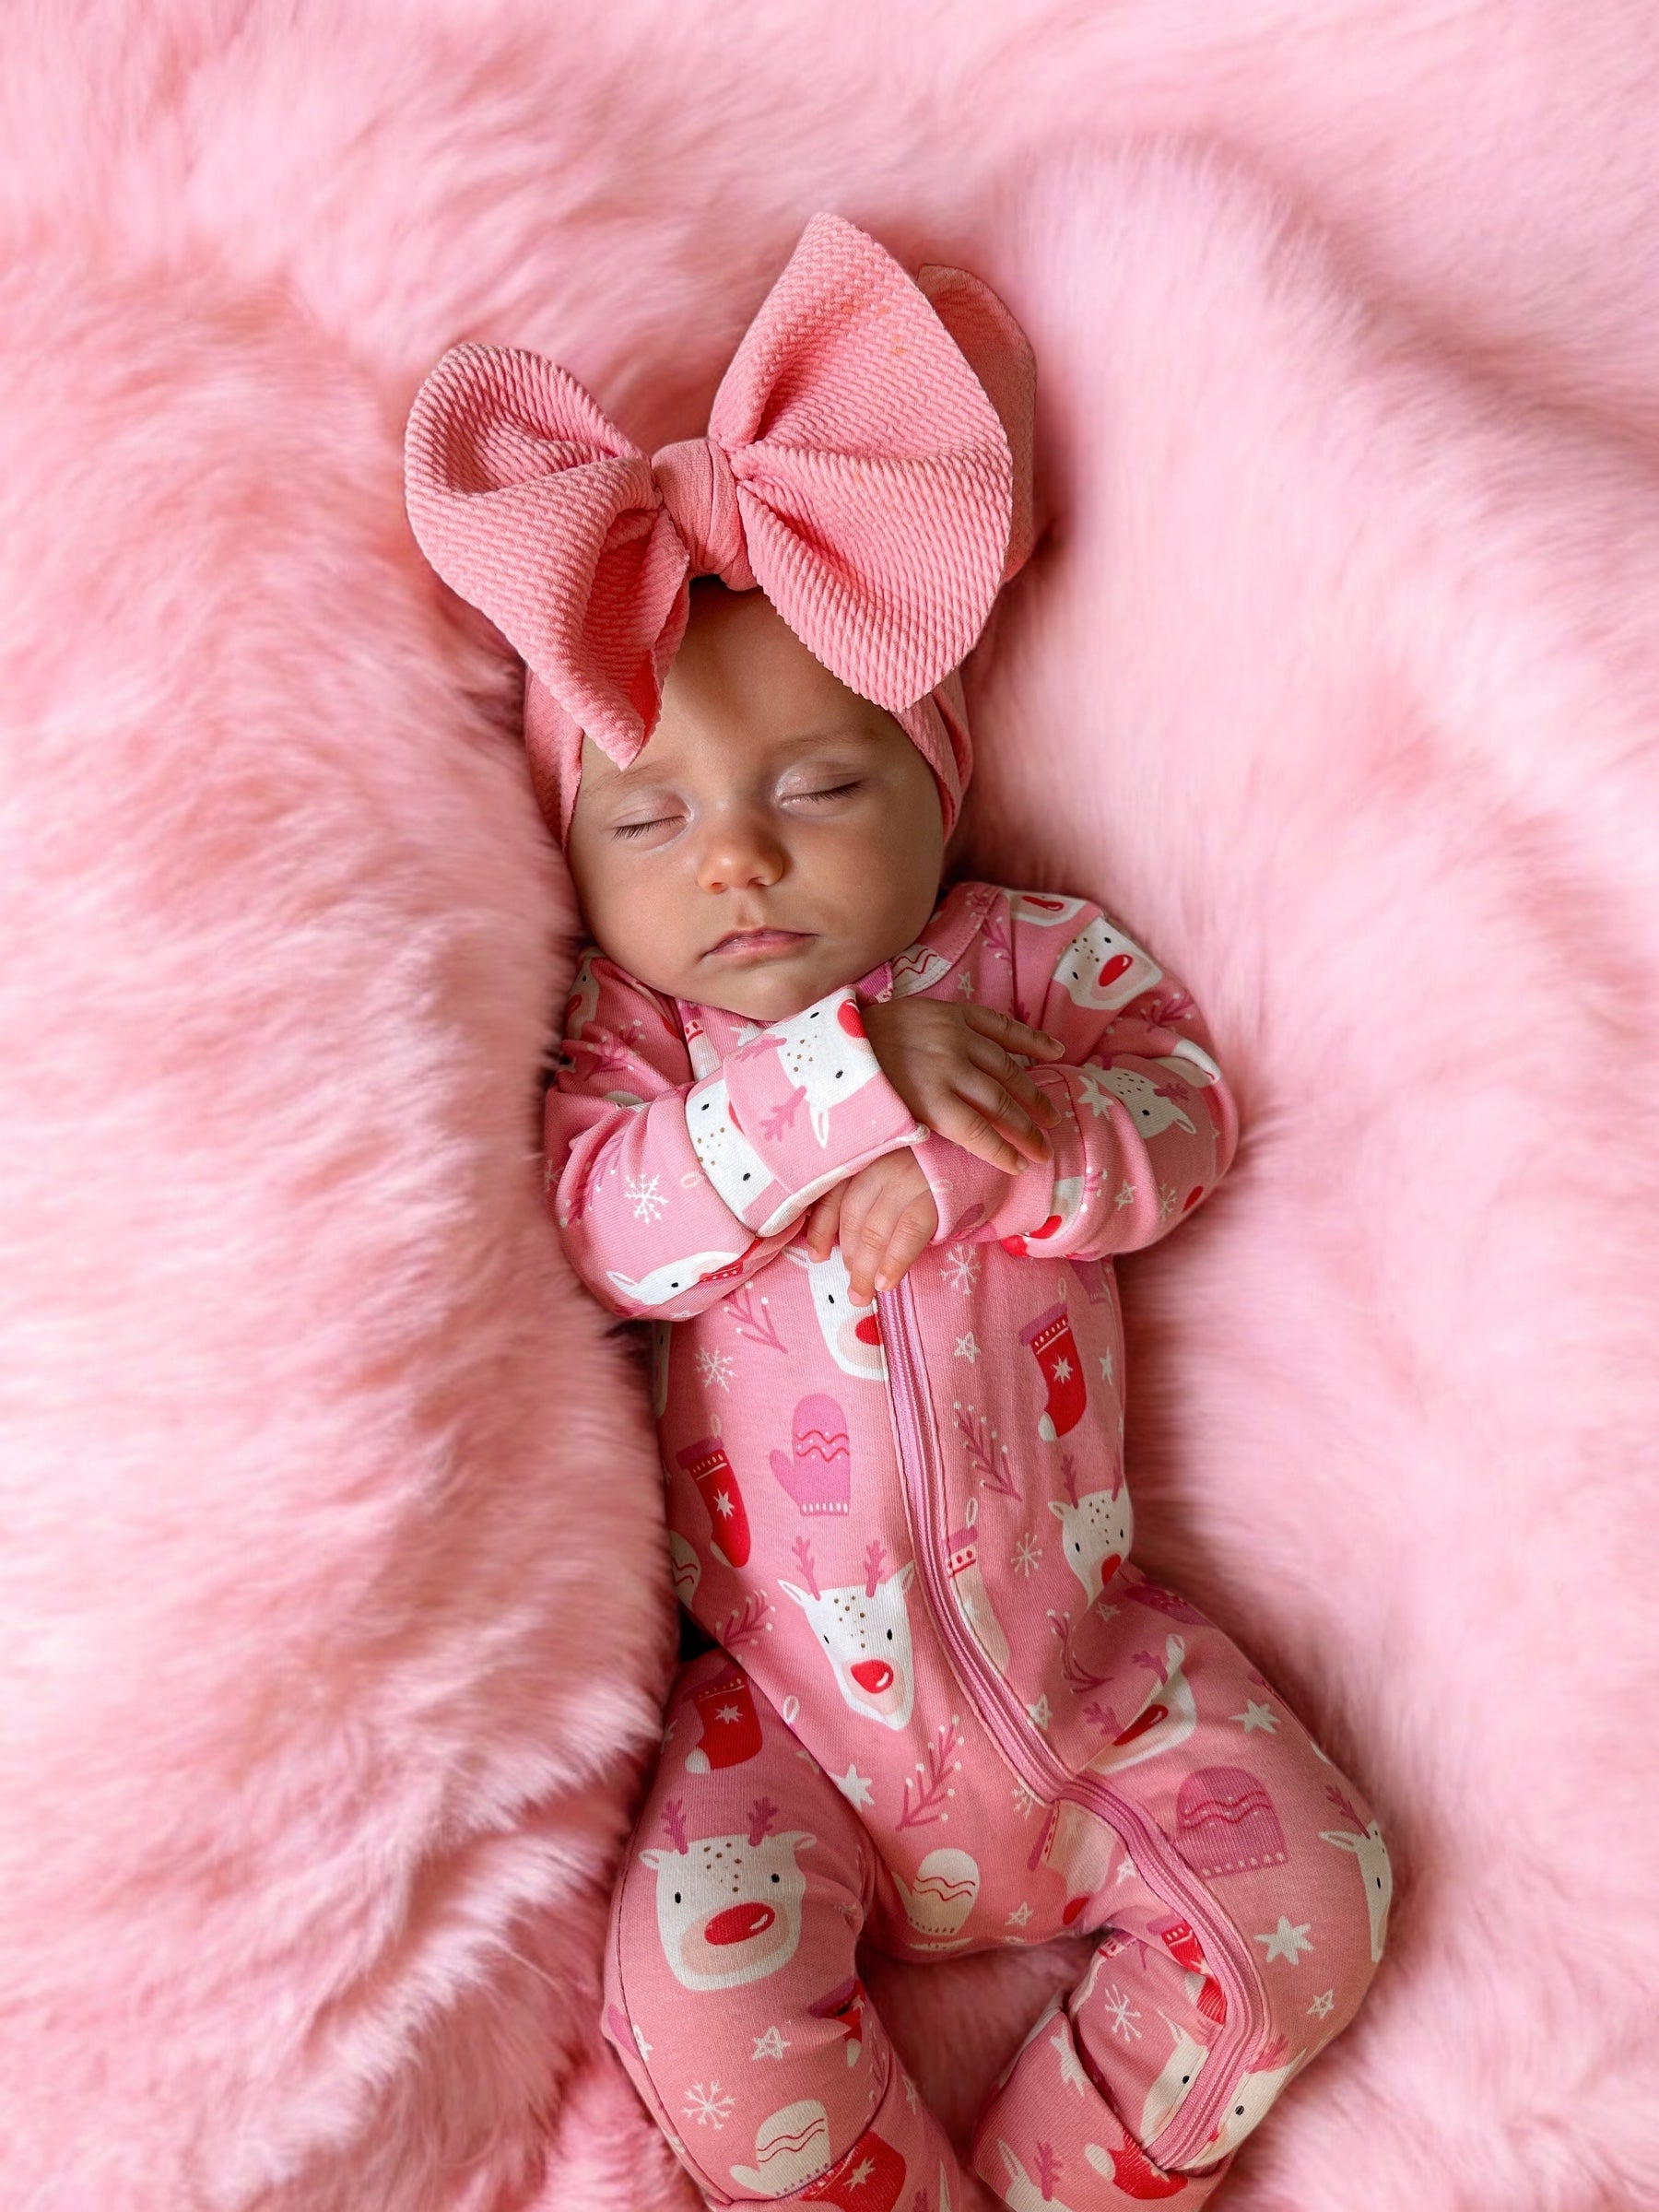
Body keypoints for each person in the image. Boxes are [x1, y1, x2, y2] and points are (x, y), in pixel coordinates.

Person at [405, 211, 1390, 2212]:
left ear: (938, 783)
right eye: (652, 818)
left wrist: (992, 1138)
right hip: (792, 1728)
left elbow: (1182, 1124)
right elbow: (609, 1232)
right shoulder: (642, 1054)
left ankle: (1061, 2180)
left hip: (1097, 1670)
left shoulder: (1030, 963)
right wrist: (826, 1092)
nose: (738, 861)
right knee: (690, 1993)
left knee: (1326, 1892)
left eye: (822, 788)